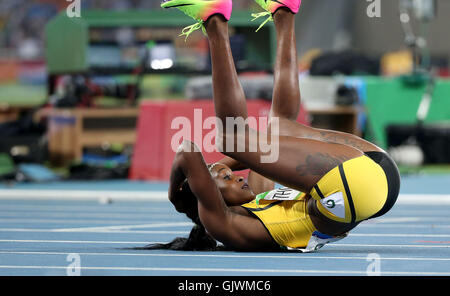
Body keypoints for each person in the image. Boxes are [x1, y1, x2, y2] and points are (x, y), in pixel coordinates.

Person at [145, 0, 400, 252]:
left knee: (278, 128)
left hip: (378, 174)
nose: (236, 176)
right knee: (231, 140)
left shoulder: (259, 199)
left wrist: (217, 168)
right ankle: (214, 21)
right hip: (356, 187)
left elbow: (262, 154)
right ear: (210, 196)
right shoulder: (222, 224)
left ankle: (284, 12)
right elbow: (187, 151)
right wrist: (177, 196)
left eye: (229, 174)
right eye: (227, 179)